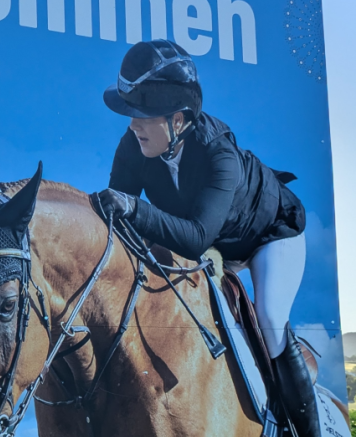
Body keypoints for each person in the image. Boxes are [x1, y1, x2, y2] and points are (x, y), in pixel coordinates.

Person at [92, 39, 317, 436]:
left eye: (143, 115)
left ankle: (304, 428)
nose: (132, 125)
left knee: (269, 318)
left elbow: (194, 238)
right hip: (213, 240)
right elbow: (122, 222)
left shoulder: (219, 154)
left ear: (178, 120)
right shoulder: (133, 146)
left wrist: (134, 209)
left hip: (267, 235)